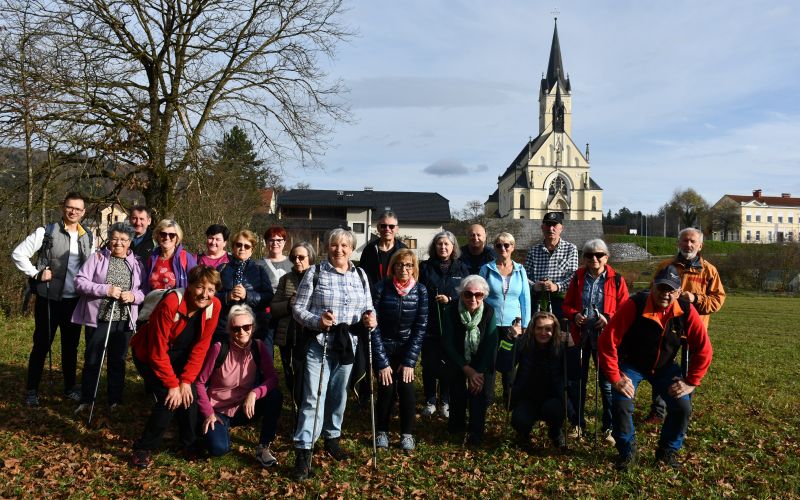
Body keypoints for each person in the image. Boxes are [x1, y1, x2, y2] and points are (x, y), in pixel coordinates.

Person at [599, 265, 713, 471]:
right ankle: (627, 450)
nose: (666, 294)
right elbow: (607, 341)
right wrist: (616, 378)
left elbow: (704, 349)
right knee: (621, 403)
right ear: (652, 287)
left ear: (679, 292)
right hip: (631, 365)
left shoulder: (686, 310)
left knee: (682, 406)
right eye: (661, 288)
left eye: (671, 290)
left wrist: (691, 382)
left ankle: (667, 450)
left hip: (665, 368)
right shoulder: (635, 304)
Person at [290, 228, 376, 480]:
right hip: (321, 343)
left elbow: (368, 307)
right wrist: (318, 321)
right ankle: (303, 452)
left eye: (344, 246)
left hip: (348, 343)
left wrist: (371, 320)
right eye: (334, 245)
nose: (339, 250)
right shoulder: (315, 273)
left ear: (351, 249)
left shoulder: (360, 275)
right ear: (327, 247)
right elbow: (298, 309)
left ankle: (332, 437)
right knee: (314, 396)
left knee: (339, 395)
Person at [129, 265, 222, 469]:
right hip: (148, 353)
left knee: (189, 396)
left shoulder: (214, 306)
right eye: (200, 287)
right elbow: (156, 350)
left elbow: (201, 347)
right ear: (190, 286)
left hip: (179, 354)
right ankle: (144, 448)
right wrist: (172, 384)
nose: (205, 294)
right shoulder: (171, 302)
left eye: (210, 290)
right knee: (169, 399)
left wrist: (186, 381)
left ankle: (188, 444)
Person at [12, 192, 95, 405]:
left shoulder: (88, 236)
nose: (73, 211)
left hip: (74, 301)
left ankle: (69, 388)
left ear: (84, 212)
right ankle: (31, 390)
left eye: (78, 209)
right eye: (70, 207)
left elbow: (92, 267)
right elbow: (18, 254)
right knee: (41, 345)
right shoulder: (46, 231)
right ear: (62, 207)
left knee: (71, 347)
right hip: (48, 299)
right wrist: (36, 273)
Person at [644, 227, 725, 425]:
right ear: (678, 243)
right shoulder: (665, 266)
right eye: (684, 241)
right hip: (666, 328)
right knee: (661, 368)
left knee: (689, 373)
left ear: (700, 245)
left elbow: (717, 300)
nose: (688, 245)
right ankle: (658, 411)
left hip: (693, 331)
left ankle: (682, 411)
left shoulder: (709, 270)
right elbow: (652, 292)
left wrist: (695, 298)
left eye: (692, 242)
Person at [195, 305, 282, 467]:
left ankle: (263, 447)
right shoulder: (219, 349)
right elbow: (199, 382)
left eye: (246, 327)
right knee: (219, 449)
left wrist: (255, 393)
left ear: (253, 327)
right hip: (218, 411)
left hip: (244, 408)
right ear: (230, 330)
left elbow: (272, 378)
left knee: (275, 395)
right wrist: (208, 413)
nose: (241, 332)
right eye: (236, 329)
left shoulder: (259, 347)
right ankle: (209, 431)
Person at [71, 222, 145, 413]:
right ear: (109, 239)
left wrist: (133, 297)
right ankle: (87, 399)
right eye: (114, 238)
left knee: (118, 360)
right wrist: (106, 290)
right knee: (93, 357)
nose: (118, 243)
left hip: (124, 319)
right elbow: (79, 282)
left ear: (130, 242)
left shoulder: (136, 263)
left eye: (123, 239)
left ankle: (115, 400)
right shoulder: (97, 258)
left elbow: (143, 290)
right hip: (99, 317)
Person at [562, 239, 629, 444]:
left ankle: (609, 427)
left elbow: (626, 309)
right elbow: (567, 305)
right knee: (577, 383)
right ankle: (578, 424)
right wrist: (574, 316)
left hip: (605, 339)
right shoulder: (578, 277)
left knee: (607, 385)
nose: (594, 259)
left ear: (606, 257)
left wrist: (608, 317)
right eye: (589, 255)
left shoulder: (617, 279)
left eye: (599, 255)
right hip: (580, 337)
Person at [372, 249, 428, 452]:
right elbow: (373, 326)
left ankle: (407, 434)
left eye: (408, 265)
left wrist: (410, 361)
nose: (404, 269)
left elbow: (420, 327)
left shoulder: (420, 291)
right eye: (399, 265)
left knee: (407, 390)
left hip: (407, 348)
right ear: (392, 267)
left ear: (414, 268)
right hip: (384, 347)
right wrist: (382, 362)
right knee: (386, 389)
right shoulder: (380, 288)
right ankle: (382, 432)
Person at [441, 275, 498, 446]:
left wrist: (478, 371)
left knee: (478, 392)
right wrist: (466, 368)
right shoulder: (450, 310)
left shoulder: (489, 311)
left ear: (484, 295)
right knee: (457, 390)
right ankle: (456, 426)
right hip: (457, 358)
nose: (473, 298)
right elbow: (448, 343)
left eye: (478, 295)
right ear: (461, 294)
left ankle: (476, 431)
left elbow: (490, 343)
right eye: (468, 294)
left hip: (481, 360)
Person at [418, 231, 470, 418]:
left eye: (447, 244)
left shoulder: (462, 268)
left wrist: (451, 299)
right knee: (430, 363)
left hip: (453, 323)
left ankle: (445, 401)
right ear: (434, 247)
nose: (443, 247)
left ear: (453, 247)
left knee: (449, 363)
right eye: (440, 244)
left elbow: (466, 295)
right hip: (430, 323)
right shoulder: (424, 267)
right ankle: (430, 399)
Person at [478, 232, 529, 408]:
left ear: (513, 247)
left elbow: (525, 299)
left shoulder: (520, 270)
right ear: (494, 247)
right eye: (499, 245)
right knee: (490, 360)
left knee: (510, 361)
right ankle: (487, 398)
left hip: (512, 325)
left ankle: (509, 399)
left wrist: (524, 324)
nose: (503, 248)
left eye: (507, 245)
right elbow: (480, 296)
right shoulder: (486, 269)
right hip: (491, 323)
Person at [510, 312, 567, 450]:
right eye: (539, 328)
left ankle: (556, 432)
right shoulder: (524, 344)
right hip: (528, 397)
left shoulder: (560, 347)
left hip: (552, 397)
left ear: (554, 331)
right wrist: (510, 340)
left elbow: (575, 373)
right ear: (532, 329)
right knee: (520, 420)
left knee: (555, 410)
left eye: (548, 329)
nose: (543, 332)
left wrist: (572, 348)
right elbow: (503, 365)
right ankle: (523, 434)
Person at [271, 242, 316, 408]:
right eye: (294, 257)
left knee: (307, 372)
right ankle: (295, 405)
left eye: (301, 257)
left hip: (309, 335)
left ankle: (307, 405)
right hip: (288, 334)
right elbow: (274, 308)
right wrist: (289, 304)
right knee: (289, 372)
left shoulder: (318, 278)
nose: (297, 261)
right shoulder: (285, 279)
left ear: (310, 258)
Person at [214, 230, 273, 345]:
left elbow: (268, 297)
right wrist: (227, 296)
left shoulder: (259, 270)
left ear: (252, 250)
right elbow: (211, 295)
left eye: (247, 246)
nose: (242, 248)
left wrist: (247, 295)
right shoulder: (221, 269)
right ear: (233, 246)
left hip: (253, 326)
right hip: (225, 326)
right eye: (239, 245)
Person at [523, 211, 578, 319]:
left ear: (561, 228)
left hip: (561, 301)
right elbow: (525, 276)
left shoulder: (571, 249)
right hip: (537, 300)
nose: (551, 228)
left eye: (554, 225)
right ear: (542, 227)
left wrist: (557, 286)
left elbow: (573, 277)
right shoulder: (533, 250)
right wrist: (534, 286)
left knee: (560, 334)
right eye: (548, 225)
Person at [143, 219, 197, 293]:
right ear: (157, 236)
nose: (167, 238)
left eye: (172, 235)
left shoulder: (185, 258)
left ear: (177, 238)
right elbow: (145, 285)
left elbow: (197, 283)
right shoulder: (152, 258)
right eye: (163, 234)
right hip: (153, 303)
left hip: (177, 303)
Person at [358, 211, 407, 286]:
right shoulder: (369, 249)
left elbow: (410, 274)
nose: (387, 229)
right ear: (378, 228)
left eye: (391, 226)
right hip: (373, 295)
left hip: (396, 295)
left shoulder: (403, 250)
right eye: (383, 226)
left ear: (397, 229)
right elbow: (361, 274)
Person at [260, 226, 293, 294]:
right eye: (271, 240)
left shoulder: (293, 263)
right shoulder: (258, 264)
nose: (275, 243)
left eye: (279, 240)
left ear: (284, 242)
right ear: (266, 242)